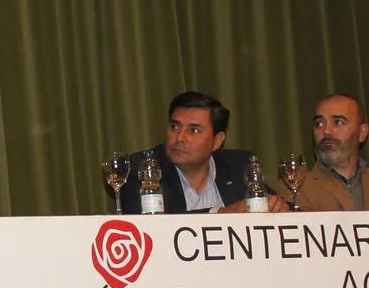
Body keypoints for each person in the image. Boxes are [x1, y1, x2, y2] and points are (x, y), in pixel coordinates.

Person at [120, 91, 287, 214]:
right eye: (175, 126)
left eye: (193, 130)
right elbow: (152, 226)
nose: (179, 138)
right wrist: (222, 213)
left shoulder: (239, 165)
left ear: (217, 141)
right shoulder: (140, 168)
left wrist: (277, 206)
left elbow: (271, 206)